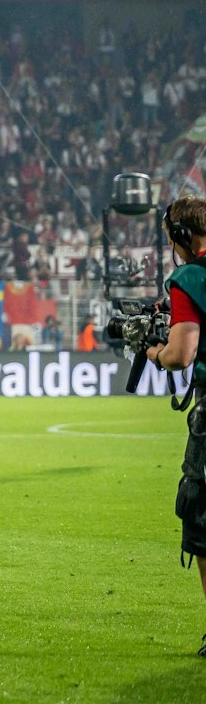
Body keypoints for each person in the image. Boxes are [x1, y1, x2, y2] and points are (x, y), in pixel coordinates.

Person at [142, 196, 206, 654]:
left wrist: (155, 353)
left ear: (181, 239)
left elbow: (182, 353)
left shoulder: (189, 278)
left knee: (202, 515)